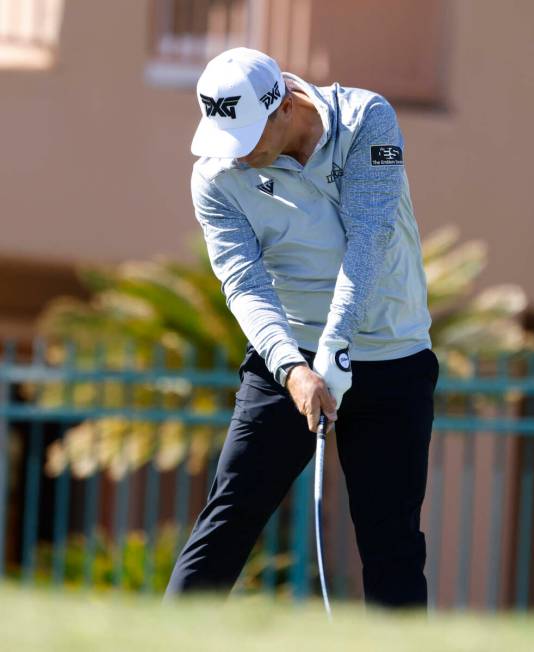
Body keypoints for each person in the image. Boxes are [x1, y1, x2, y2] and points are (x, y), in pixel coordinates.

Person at [165, 47, 439, 609]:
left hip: (393, 357)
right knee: (229, 518)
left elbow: (368, 243)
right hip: (289, 356)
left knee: (393, 549)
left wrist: (336, 350)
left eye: (246, 138)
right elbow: (244, 284)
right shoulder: (217, 176)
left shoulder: (366, 121)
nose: (236, 156)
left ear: (284, 106)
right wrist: (292, 368)